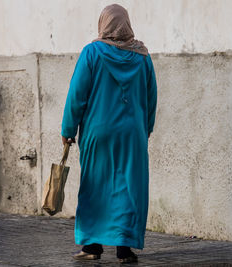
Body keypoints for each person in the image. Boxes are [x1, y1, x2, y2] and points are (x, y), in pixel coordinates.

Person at [61, 4, 157, 264]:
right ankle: (125, 249)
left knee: (95, 186)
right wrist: (145, 128)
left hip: (98, 133)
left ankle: (92, 246)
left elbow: (77, 95)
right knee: (129, 187)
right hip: (132, 134)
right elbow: (151, 97)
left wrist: (68, 129)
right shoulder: (142, 56)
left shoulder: (92, 53)